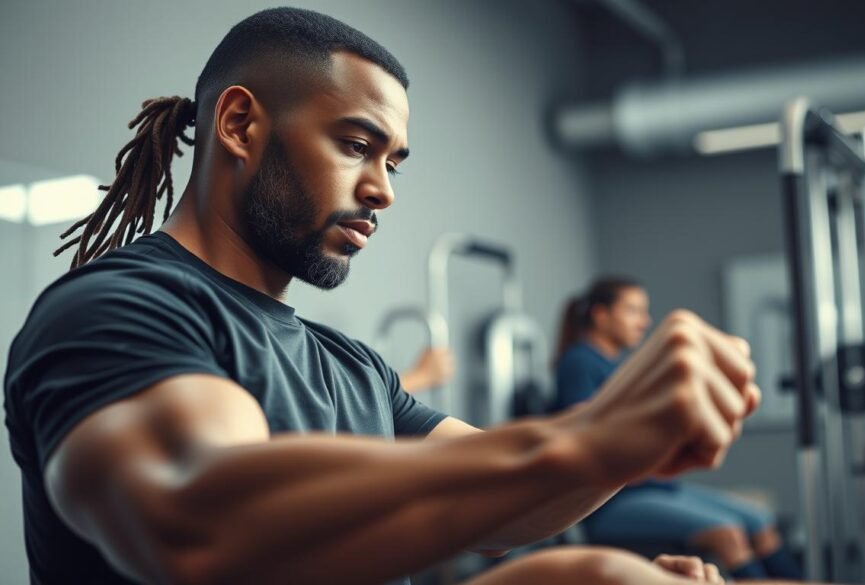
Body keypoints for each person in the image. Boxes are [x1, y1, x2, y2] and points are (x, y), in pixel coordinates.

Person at [3, 8, 761, 585]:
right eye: (357, 145)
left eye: (394, 160)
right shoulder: (118, 309)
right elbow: (196, 518)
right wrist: (591, 435)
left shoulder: (351, 366)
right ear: (238, 124)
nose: (383, 190)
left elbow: (508, 507)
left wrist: (591, 546)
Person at [553, 277, 802, 581]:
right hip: (612, 502)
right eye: (633, 311)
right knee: (728, 534)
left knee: (762, 523)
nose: (644, 322)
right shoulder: (579, 362)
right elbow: (588, 443)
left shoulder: (614, 365)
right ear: (601, 315)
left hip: (654, 487)